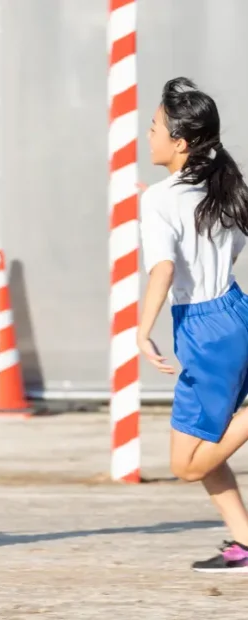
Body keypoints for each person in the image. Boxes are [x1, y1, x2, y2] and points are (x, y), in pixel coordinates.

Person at [139, 77, 248, 573]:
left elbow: (163, 269)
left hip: (204, 331)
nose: (149, 133)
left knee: (186, 464)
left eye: (156, 126)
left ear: (179, 142)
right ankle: (246, 542)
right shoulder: (222, 185)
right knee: (204, 448)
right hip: (233, 313)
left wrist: (142, 331)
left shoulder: (161, 200)